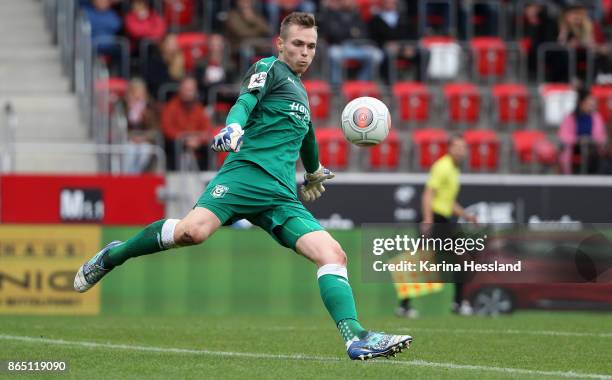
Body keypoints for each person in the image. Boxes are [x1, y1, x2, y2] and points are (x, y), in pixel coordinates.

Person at [74, 12, 412, 361]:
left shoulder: (301, 91)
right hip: (244, 177)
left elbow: (307, 134)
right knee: (193, 232)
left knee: (333, 254)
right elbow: (244, 103)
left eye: (311, 46)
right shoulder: (268, 69)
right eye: (297, 44)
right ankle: (113, 255)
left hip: (281, 196)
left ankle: (355, 338)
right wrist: (234, 128)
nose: (305, 52)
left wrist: (313, 172)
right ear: (281, 44)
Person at [396, 136, 478, 318]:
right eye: (457, 147)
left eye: (463, 147)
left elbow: (447, 201)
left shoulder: (454, 170)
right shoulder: (443, 166)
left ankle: (456, 303)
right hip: (435, 219)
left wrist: (466, 215)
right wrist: (427, 220)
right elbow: (428, 194)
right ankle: (406, 306)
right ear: (449, 149)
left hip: (443, 219)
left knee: (461, 259)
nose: (461, 151)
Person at [318, 0, 383, 85]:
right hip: (340, 47)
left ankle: (362, 82)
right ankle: (336, 85)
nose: (348, 2)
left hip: (358, 47)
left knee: (377, 55)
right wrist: (351, 32)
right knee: (333, 54)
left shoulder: (357, 15)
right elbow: (332, 33)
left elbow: (364, 33)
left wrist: (348, 33)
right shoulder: (331, 14)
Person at [161, 76, 211, 171]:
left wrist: (198, 140)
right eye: (186, 89)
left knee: (210, 147)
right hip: (178, 141)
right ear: (180, 90)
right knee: (174, 145)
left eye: (191, 90)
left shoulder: (198, 108)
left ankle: (207, 175)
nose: (188, 93)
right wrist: (184, 139)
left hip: (196, 141)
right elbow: (167, 128)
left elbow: (207, 129)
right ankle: (175, 175)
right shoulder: (171, 107)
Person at [559, 89, 607, 174]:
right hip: (575, 148)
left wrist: (589, 140)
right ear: (581, 102)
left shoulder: (596, 117)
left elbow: (601, 137)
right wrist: (578, 140)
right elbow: (564, 136)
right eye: (589, 101)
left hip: (592, 148)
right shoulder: (570, 117)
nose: (592, 104)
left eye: (593, 101)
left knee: (593, 153)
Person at [120, 78, 160, 173]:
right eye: (135, 92)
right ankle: (128, 176)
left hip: (145, 140)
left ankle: (137, 176)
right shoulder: (122, 107)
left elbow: (155, 129)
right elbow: (119, 127)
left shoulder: (150, 108)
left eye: (141, 93)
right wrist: (129, 110)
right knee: (130, 150)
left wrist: (145, 115)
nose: (138, 96)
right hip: (127, 140)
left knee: (144, 150)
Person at [144, 33, 185, 100]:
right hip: (159, 96)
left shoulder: (180, 59)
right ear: (163, 44)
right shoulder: (155, 60)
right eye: (170, 43)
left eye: (175, 43)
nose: (173, 46)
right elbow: (155, 82)